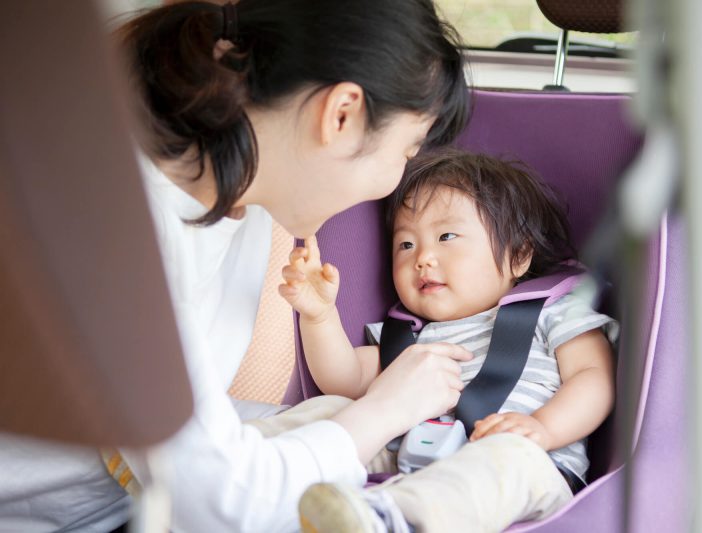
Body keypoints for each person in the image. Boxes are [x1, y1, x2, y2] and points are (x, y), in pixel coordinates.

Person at [0, 1, 470, 532]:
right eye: (406, 152)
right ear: (341, 115)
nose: (392, 183)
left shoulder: (243, 206)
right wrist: (386, 409)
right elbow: (220, 503)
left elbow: (195, 437)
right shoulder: (111, 226)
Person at [278, 148, 617, 532]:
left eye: (446, 236)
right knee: (332, 409)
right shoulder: (408, 336)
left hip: (526, 467)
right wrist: (320, 316)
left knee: (505, 460)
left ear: (519, 255)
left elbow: (594, 377)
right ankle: (257, 458)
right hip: (404, 461)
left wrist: (544, 428)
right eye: (406, 244)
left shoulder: (554, 312)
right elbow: (345, 378)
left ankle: (394, 520)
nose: (423, 258)